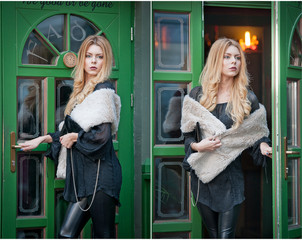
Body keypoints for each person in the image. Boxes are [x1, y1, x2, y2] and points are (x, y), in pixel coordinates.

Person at [19, 35, 122, 239]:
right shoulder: (83, 90)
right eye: (89, 56)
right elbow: (70, 131)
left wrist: (75, 137)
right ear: (82, 59)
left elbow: (102, 136)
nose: (93, 61)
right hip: (84, 175)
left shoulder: (103, 90)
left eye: (99, 57)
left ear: (105, 60)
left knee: (101, 234)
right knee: (68, 233)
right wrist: (44, 138)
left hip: (101, 175)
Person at [181, 38, 272, 239]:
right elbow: (187, 138)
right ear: (216, 60)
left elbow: (257, 133)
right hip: (204, 178)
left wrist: (264, 144)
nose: (234, 62)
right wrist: (198, 146)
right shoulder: (198, 96)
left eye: (237, 58)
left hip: (231, 179)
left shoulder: (247, 97)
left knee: (225, 236)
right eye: (227, 57)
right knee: (213, 235)